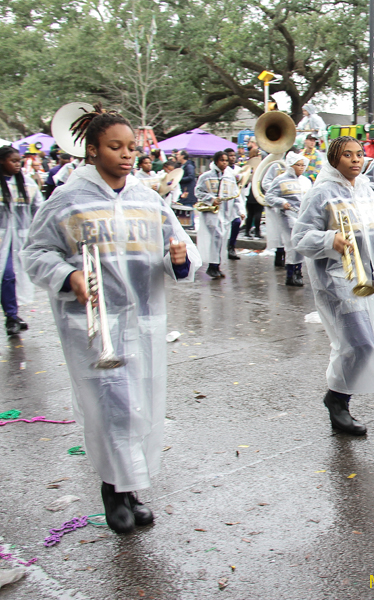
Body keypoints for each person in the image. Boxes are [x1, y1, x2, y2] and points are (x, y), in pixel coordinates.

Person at [22, 104, 200, 534]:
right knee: (110, 410)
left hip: (144, 321)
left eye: (131, 148)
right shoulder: (66, 201)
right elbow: (35, 253)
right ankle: (112, 491)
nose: (126, 155)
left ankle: (131, 487)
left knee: (140, 407)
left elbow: (178, 249)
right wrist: (68, 275)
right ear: (92, 150)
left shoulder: (148, 199)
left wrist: (178, 256)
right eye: (114, 147)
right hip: (93, 325)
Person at [291, 136, 374, 436]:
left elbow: (373, 225)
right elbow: (300, 238)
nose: (355, 160)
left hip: (366, 276)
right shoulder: (321, 193)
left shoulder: (364, 189)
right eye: (347, 155)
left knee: (363, 343)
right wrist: (329, 240)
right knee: (361, 343)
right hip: (337, 280)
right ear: (333, 159)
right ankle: (336, 400)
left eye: (359, 154)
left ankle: (338, 398)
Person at [1, 146, 43, 335]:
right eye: (14, 161)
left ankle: (13, 314)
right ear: (2, 161)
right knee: (7, 275)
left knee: (18, 276)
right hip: (2, 240)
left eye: (19, 161)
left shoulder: (27, 184)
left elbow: (40, 210)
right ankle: (11, 316)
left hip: (21, 239)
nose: (18, 165)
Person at [265, 152, 310, 286]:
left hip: (302, 217)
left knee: (300, 244)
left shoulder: (306, 181)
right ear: (291, 165)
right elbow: (269, 197)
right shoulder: (280, 180)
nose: (302, 167)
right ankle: (291, 274)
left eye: (303, 165)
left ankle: (298, 271)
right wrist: (282, 203)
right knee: (291, 244)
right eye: (298, 165)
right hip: (287, 216)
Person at [195, 150, 240, 278]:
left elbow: (235, 195)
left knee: (221, 239)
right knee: (216, 236)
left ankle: (216, 265)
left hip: (225, 213)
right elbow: (198, 192)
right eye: (222, 160)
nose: (225, 163)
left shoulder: (229, 177)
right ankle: (213, 265)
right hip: (211, 212)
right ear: (216, 161)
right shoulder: (206, 176)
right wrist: (211, 199)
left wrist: (240, 210)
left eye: (226, 161)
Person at [223, 148, 245, 260]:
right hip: (224, 202)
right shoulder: (222, 170)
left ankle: (232, 247)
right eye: (229, 156)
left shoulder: (239, 169)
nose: (232, 157)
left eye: (233, 155)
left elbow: (243, 184)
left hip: (235, 200)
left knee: (236, 222)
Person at [241, 147, 264, 238]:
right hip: (258, 189)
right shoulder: (261, 164)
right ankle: (257, 232)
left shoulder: (247, 164)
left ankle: (247, 231)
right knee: (258, 212)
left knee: (250, 213)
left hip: (248, 191)